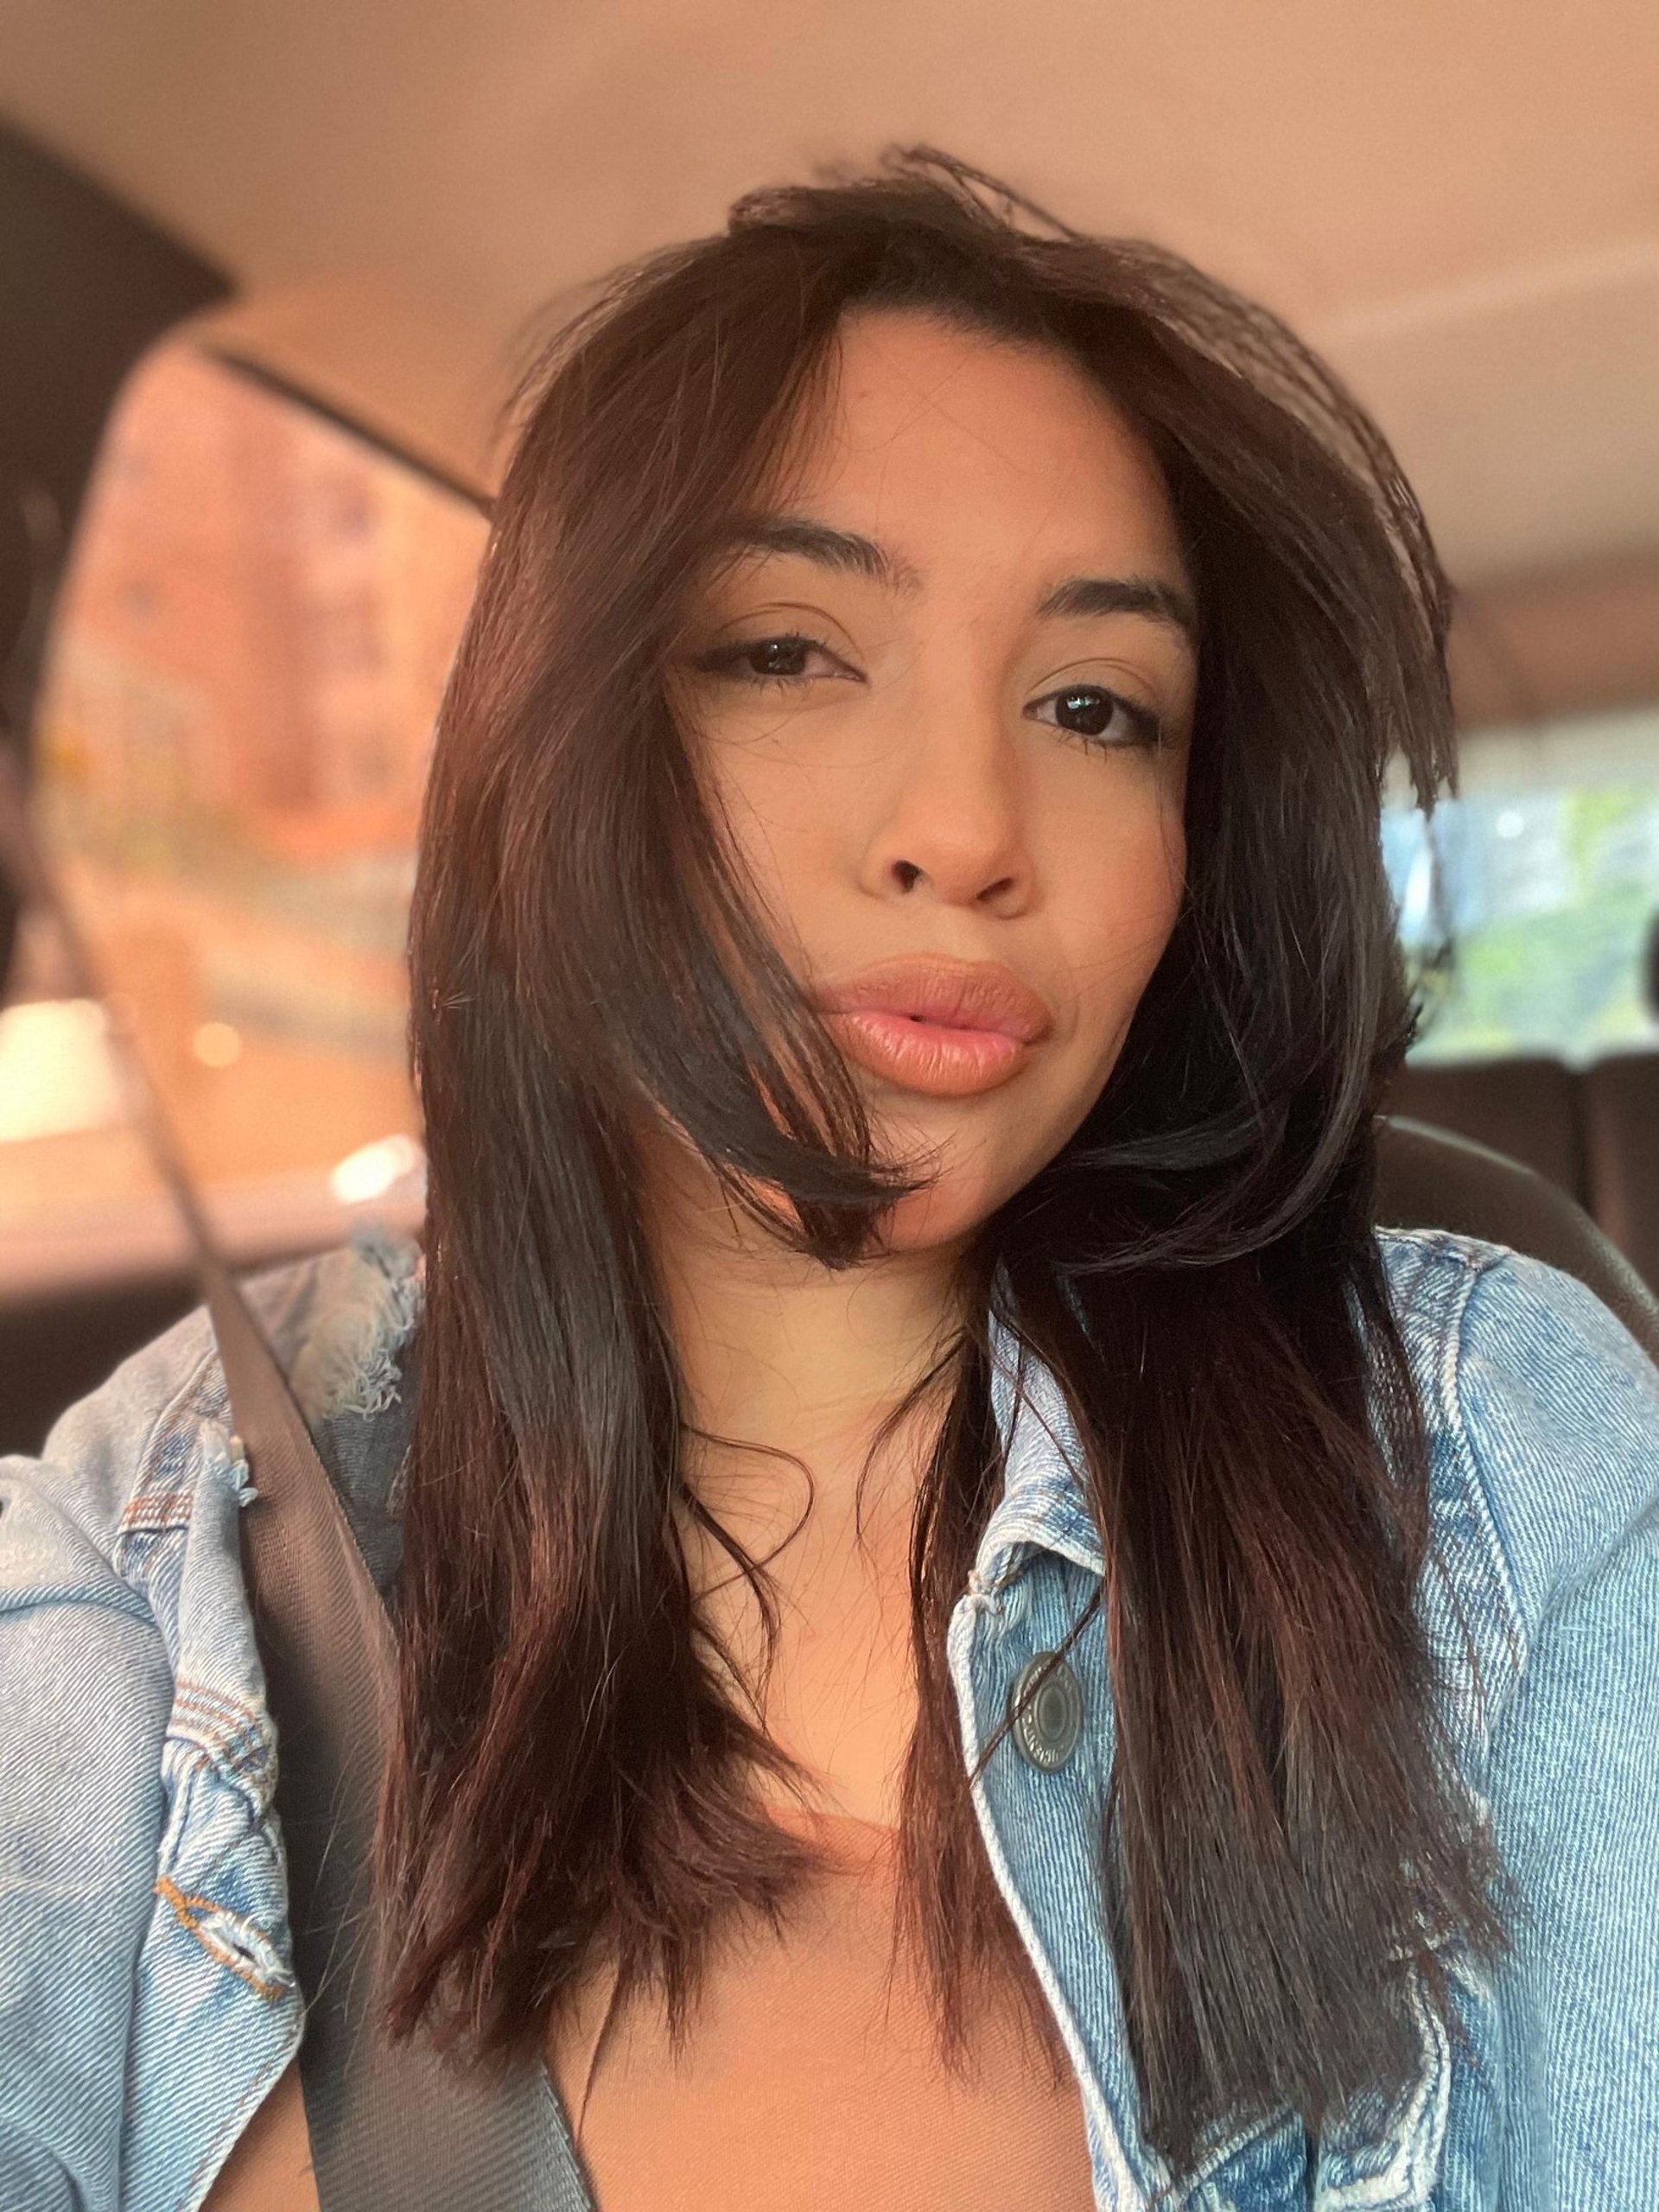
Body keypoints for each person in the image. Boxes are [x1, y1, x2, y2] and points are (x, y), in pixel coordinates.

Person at [3, 147, 1656, 2212]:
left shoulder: (1482, 1469)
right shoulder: (152, 1553)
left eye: (1096, 705)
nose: (965, 826)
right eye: (788, 650)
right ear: (556, 742)